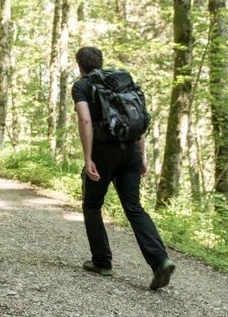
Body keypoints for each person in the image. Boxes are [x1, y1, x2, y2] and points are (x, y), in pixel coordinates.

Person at [70, 46, 176, 290]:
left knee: (92, 205)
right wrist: (142, 157)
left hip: (103, 152)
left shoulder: (82, 86)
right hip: (131, 151)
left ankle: (102, 262)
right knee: (134, 207)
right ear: (101, 61)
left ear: (80, 66)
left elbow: (85, 119)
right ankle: (160, 260)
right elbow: (137, 120)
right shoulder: (122, 84)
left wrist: (88, 158)